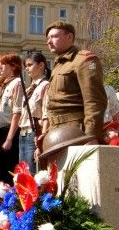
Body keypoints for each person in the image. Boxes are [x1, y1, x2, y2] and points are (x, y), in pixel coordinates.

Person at [40, 21, 107, 163]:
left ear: (69, 37)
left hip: (76, 132)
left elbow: (94, 101)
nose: (49, 42)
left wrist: (91, 136)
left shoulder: (84, 60)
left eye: (53, 37)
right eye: (47, 38)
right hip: (57, 133)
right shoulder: (59, 64)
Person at [0, 54, 23, 182]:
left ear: (13, 66)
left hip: (9, 131)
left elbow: (17, 113)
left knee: (8, 170)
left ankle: (10, 200)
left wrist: (9, 139)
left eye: (3, 64)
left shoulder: (17, 83)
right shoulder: (4, 85)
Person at [18, 52, 50, 173]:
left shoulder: (45, 85)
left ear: (41, 65)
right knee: (23, 173)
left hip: (35, 133)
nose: (26, 68)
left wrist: (42, 139)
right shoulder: (28, 89)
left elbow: (46, 113)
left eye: (30, 65)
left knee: (33, 172)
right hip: (22, 133)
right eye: (25, 65)